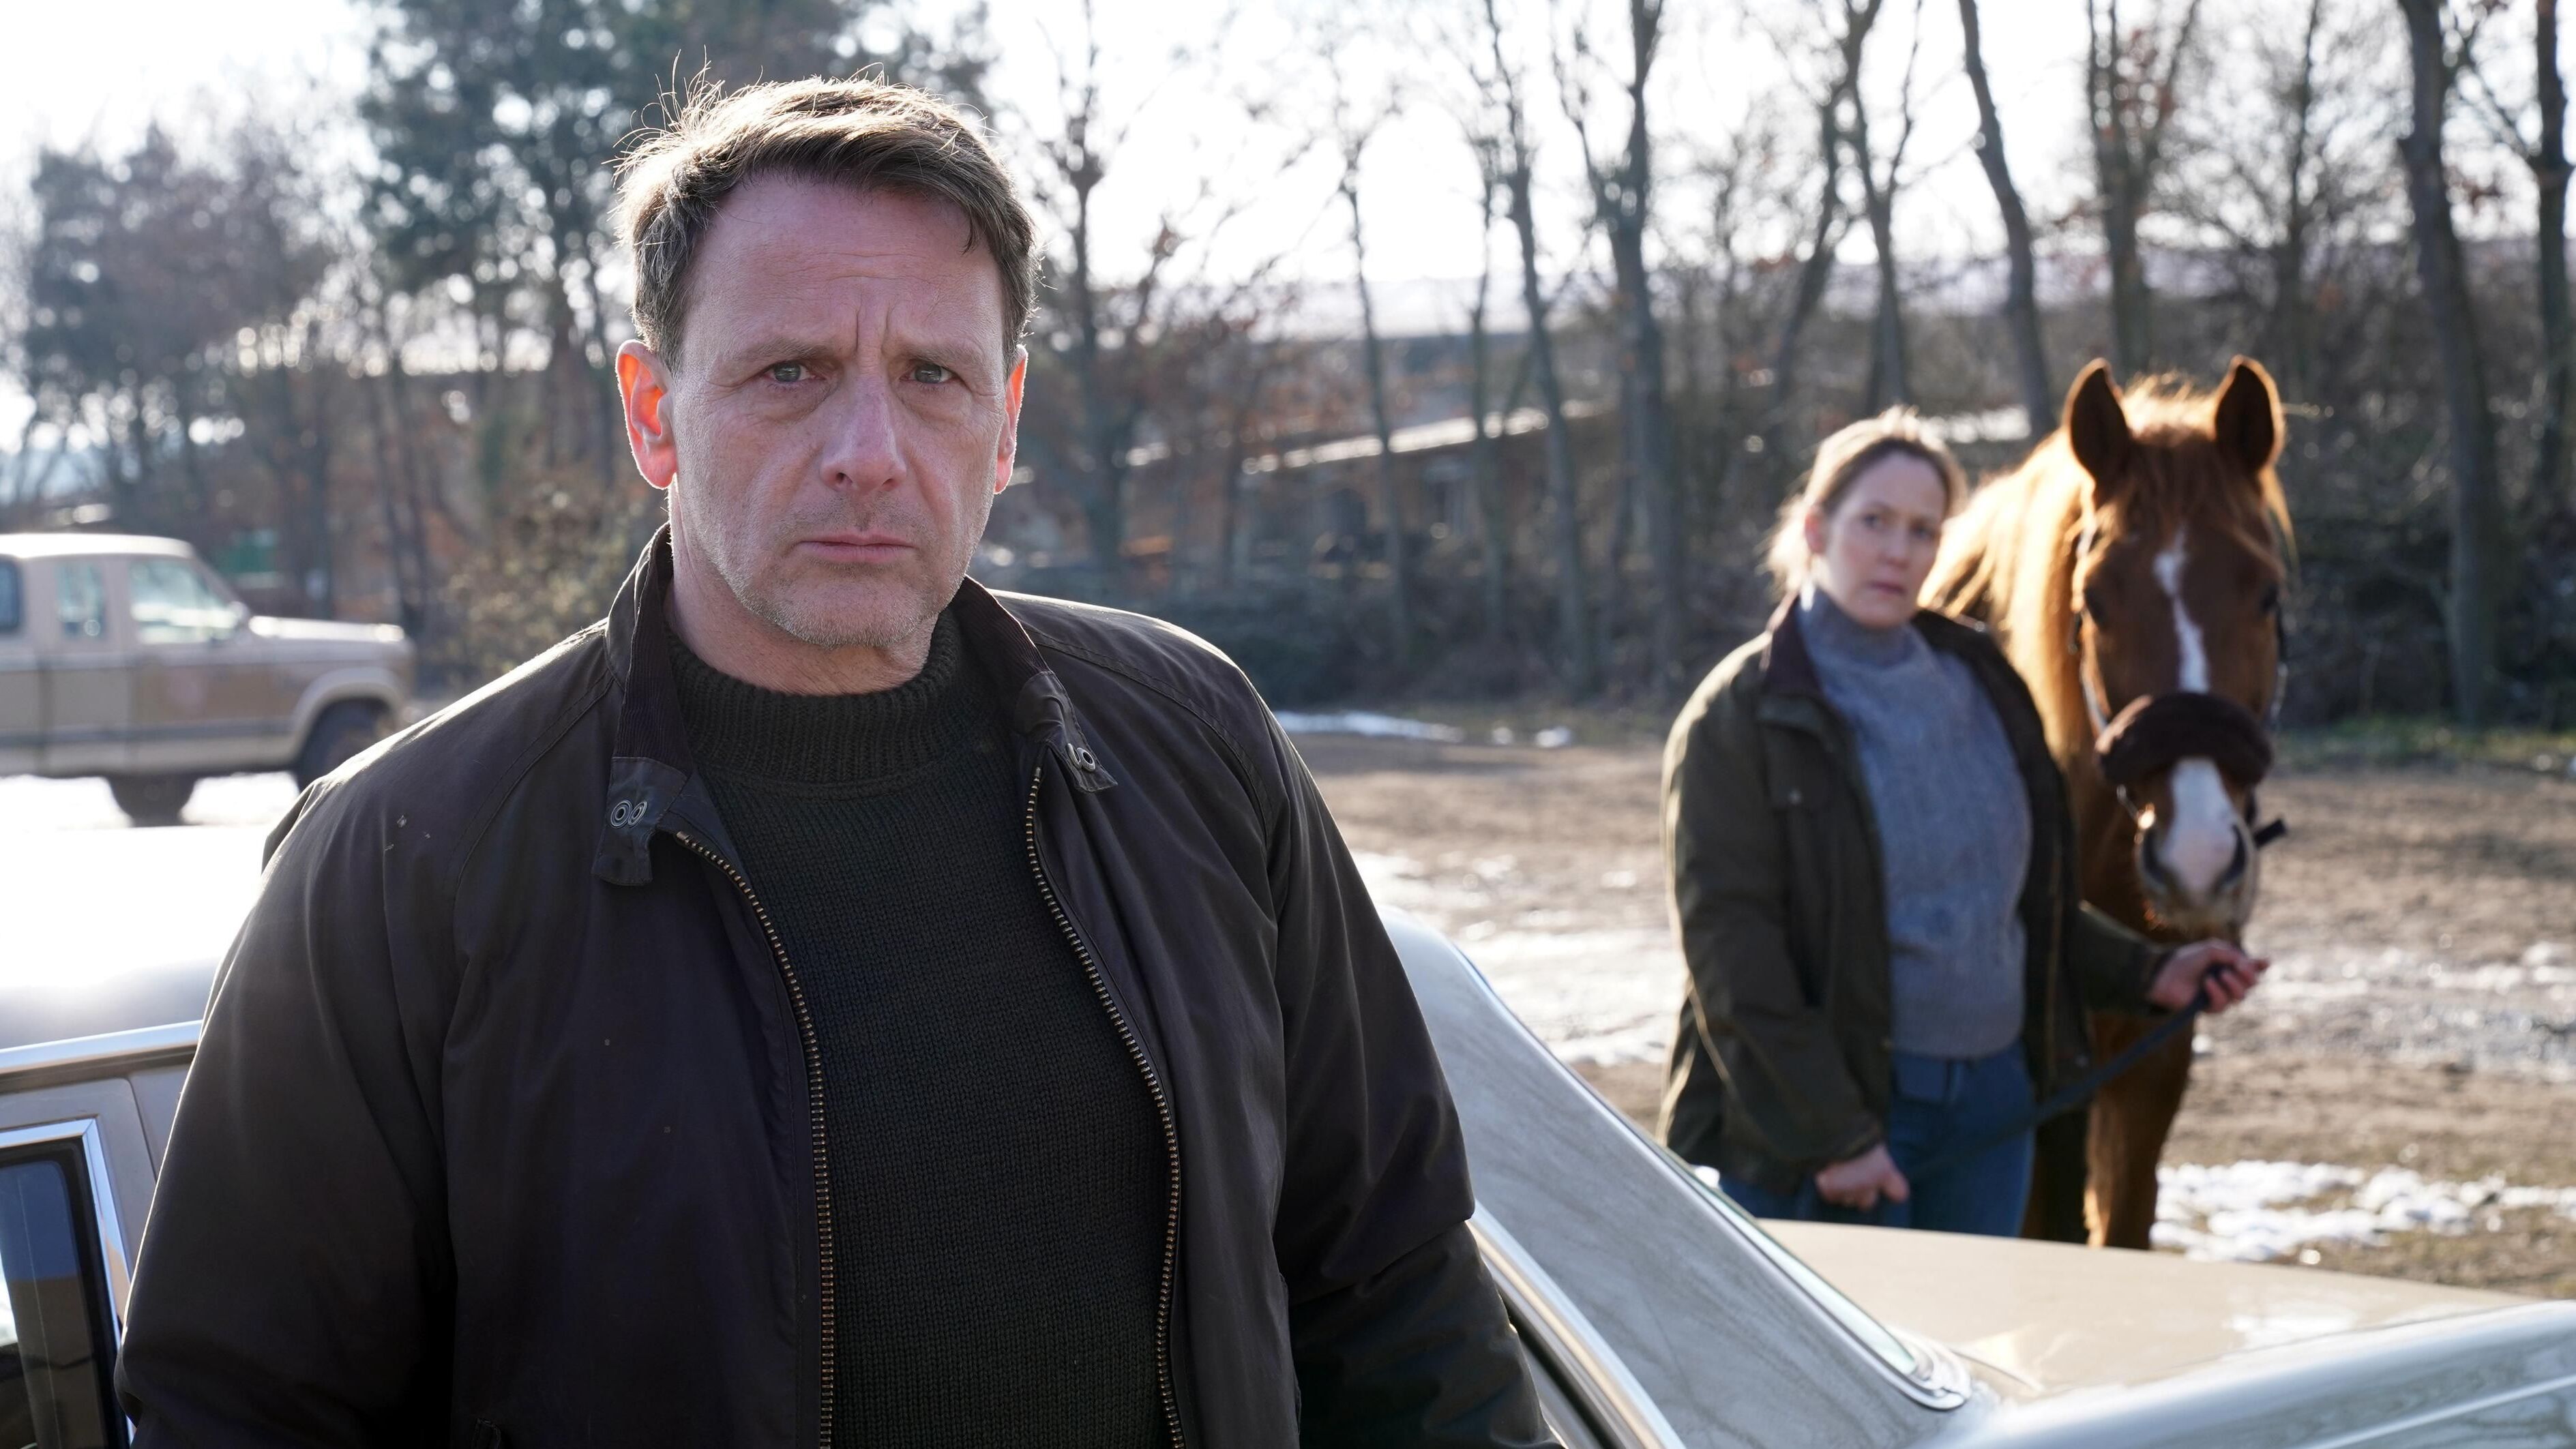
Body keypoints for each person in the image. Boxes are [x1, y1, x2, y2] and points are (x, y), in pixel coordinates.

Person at [115, 77, 1554, 1448]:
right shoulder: (400, 856)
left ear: (1005, 421)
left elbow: (1394, 1288)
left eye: (932, 375)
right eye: (790, 372)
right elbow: (241, 1410)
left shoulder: (1195, 743)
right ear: (652, 413)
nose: (868, 449)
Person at [1657, 409, 2265, 1237]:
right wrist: (1832, 1136)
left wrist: (2149, 972)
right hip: (1835, 1138)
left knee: (1977, 1324)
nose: (1898, 551)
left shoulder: (1983, 685)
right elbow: (1734, 959)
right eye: (1874, 521)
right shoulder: (1739, 717)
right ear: (1816, 529)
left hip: (1989, 1118)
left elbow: (2014, 905)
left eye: (1922, 529)